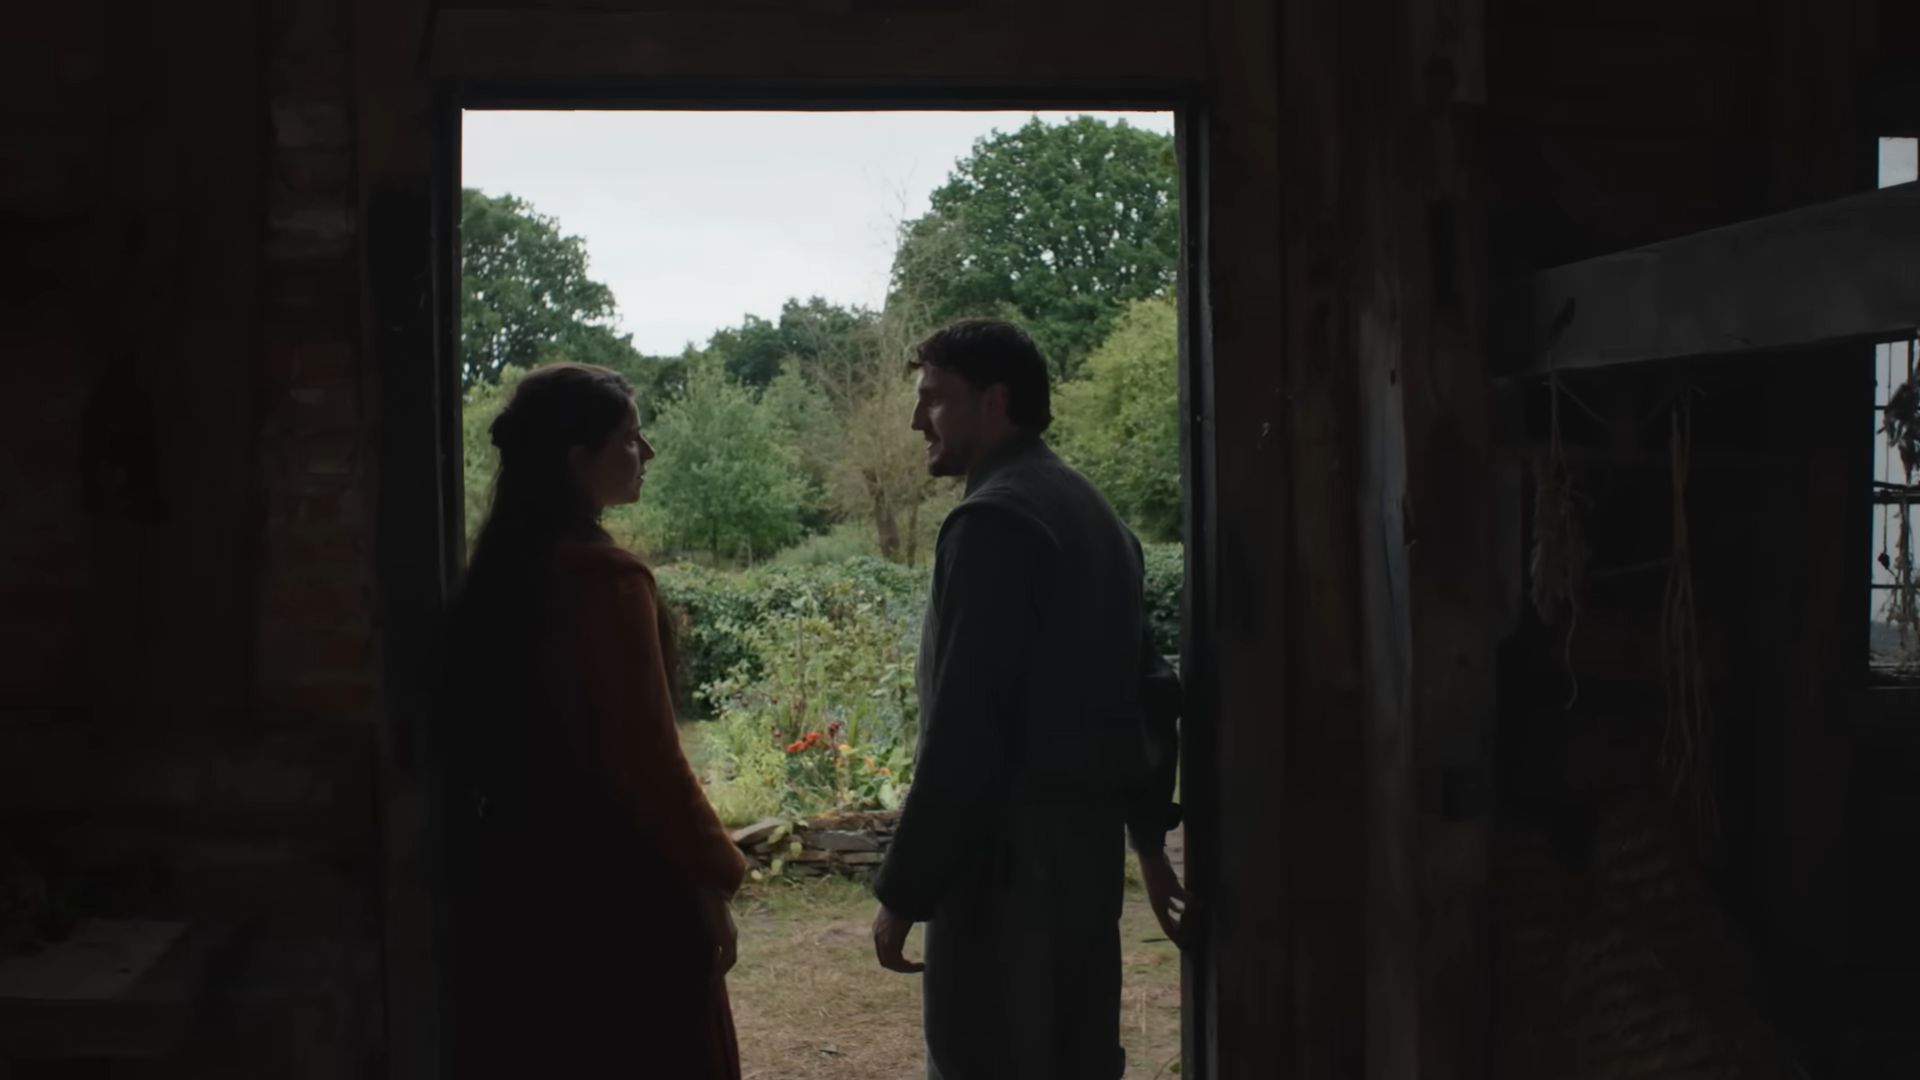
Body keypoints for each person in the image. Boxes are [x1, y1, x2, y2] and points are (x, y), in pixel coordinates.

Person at [870, 320, 1188, 1080]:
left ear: (995, 402)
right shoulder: (1097, 516)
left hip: (1002, 867)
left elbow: (965, 728)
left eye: (935, 400)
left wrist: (905, 891)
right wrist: (1146, 840)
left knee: (987, 1058)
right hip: (1085, 862)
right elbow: (1147, 690)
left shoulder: (993, 521)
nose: (918, 421)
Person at [436, 363, 747, 1080]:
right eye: (632, 439)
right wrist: (712, 877)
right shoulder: (603, 580)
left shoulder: (497, 574)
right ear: (579, 460)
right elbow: (646, 758)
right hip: (617, 894)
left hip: (513, 887)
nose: (649, 455)